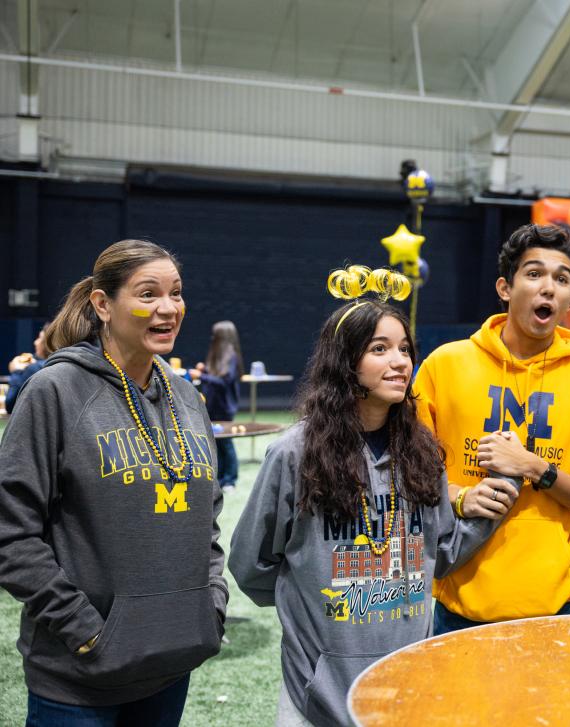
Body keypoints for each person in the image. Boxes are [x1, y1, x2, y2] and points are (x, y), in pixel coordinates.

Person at [229, 266, 507, 727]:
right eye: (379, 349)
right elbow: (249, 563)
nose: (400, 362)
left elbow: (439, 552)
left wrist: (496, 503)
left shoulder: (422, 453)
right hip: (315, 686)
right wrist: (311, 605)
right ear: (344, 362)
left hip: (405, 681)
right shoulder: (293, 454)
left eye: (404, 349)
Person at [0, 239, 225, 726]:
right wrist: (85, 631)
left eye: (176, 293)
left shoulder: (187, 398)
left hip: (169, 665)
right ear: (103, 304)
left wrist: (210, 605)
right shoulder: (54, 391)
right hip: (79, 677)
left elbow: (207, 523)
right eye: (148, 294)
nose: (168, 308)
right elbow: (12, 534)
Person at [414, 223, 570, 634]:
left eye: (562, 279)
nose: (548, 287)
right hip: (458, 607)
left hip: (553, 610)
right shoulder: (445, 366)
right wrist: (460, 497)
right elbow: (409, 476)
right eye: (534, 273)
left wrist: (536, 468)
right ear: (505, 288)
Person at [190, 321, 243, 491]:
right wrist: (205, 370)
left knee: (226, 443)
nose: (213, 338)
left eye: (216, 335)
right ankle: (220, 477)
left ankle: (230, 479)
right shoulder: (218, 355)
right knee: (216, 443)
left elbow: (223, 382)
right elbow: (216, 375)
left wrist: (202, 376)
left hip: (224, 409)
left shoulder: (231, 357)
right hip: (212, 407)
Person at [5, 324, 51, 415]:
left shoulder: (34, 368)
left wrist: (16, 372)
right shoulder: (57, 365)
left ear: (48, 344)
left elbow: (10, 404)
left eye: (39, 338)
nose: (35, 342)